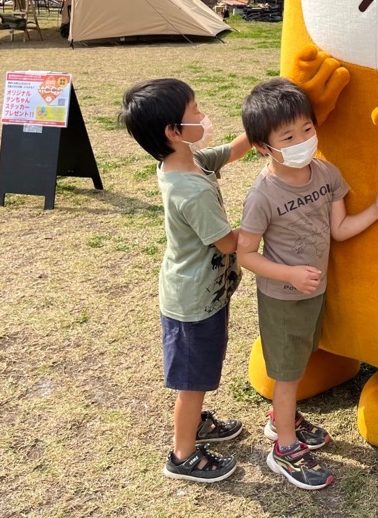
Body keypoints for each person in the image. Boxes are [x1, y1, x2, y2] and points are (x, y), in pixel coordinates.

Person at [237, 78, 378, 490]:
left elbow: (341, 229)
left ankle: (282, 420)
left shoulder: (326, 173)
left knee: (301, 358)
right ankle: (285, 449)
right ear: (262, 147)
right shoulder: (262, 195)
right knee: (289, 374)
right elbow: (245, 255)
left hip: (315, 293)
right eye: (288, 136)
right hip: (282, 297)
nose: (302, 141)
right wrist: (289, 274)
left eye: (307, 129)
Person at [119, 79, 252, 483]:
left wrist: (264, 127)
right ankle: (183, 454)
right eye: (195, 110)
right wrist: (265, 218)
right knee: (192, 383)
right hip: (193, 303)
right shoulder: (190, 189)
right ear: (172, 132)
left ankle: (194, 425)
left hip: (202, 293)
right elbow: (229, 243)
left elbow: (231, 151)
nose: (203, 115)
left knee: (203, 370)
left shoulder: (186, 161)